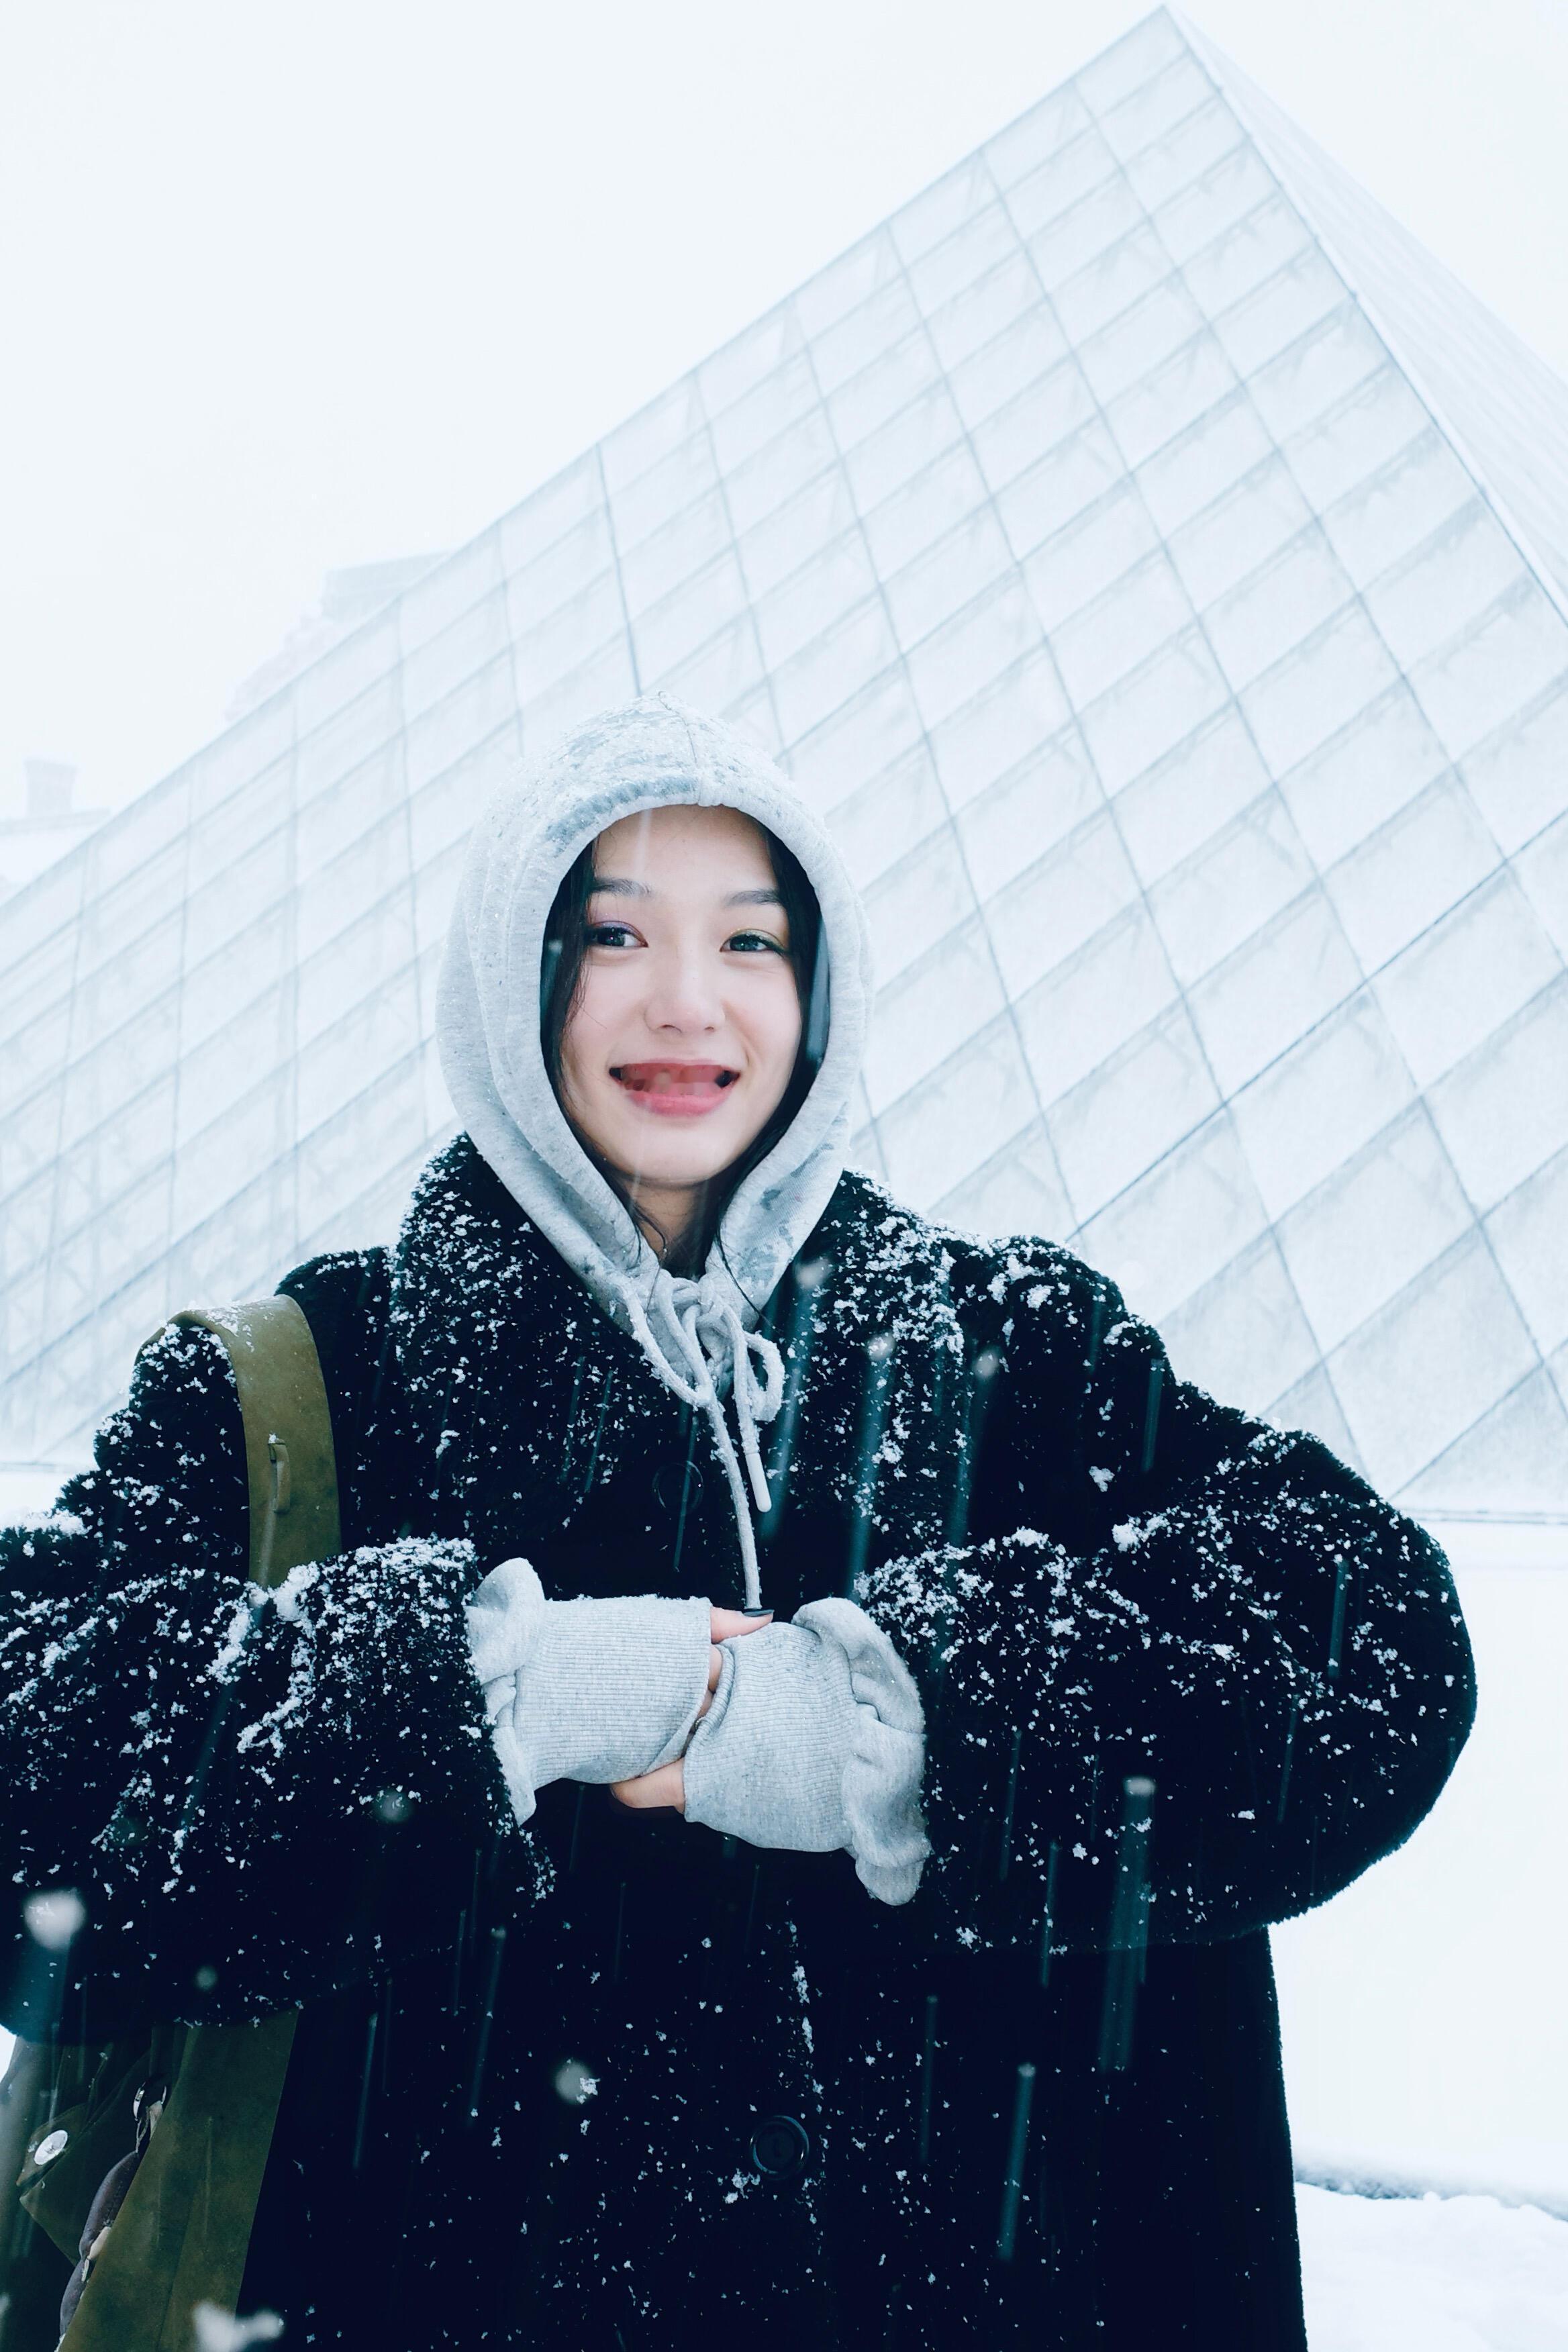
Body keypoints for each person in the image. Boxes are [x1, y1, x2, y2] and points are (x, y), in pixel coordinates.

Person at [0, 694, 1475, 2348]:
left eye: (752, 941)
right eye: (612, 933)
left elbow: (1374, 1644)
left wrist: (908, 1719)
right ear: (513, 982)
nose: (686, 1001)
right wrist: (482, 1691)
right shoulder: (307, 1387)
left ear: (816, 990)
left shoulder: (1012, 1356)